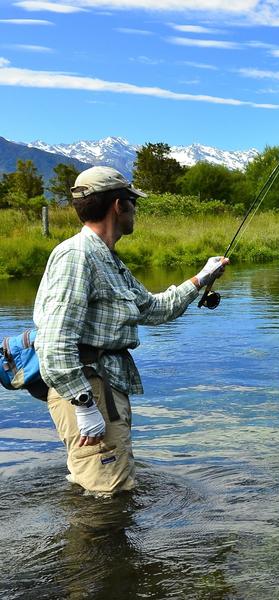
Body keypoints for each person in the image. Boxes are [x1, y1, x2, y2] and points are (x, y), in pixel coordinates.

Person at [33, 166, 228, 496]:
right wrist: (84, 405)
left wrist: (201, 279)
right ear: (118, 206)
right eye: (133, 203)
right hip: (89, 389)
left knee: (101, 487)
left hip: (102, 386)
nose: (135, 210)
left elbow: (153, 309)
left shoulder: (106, 259)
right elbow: (53, 343)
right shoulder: (76, 256)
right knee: (108, 497)